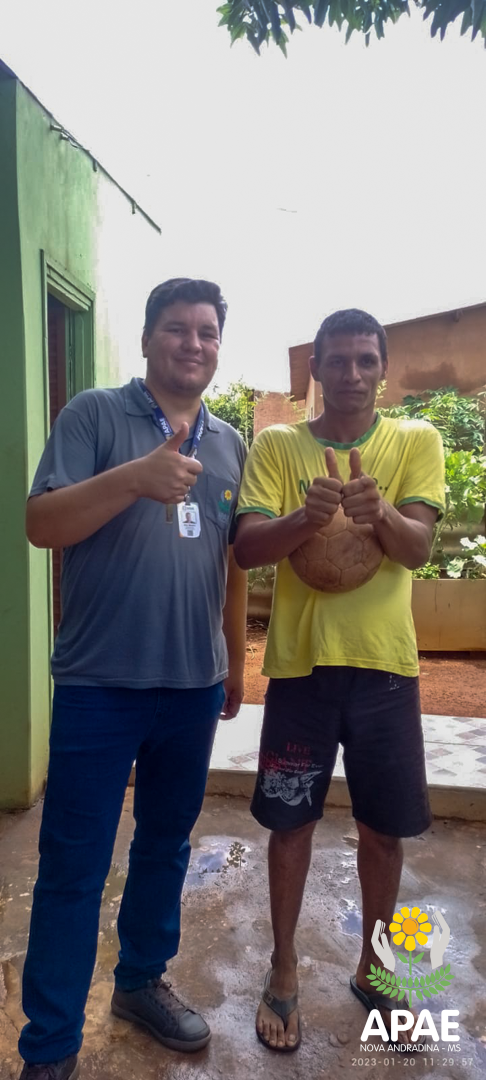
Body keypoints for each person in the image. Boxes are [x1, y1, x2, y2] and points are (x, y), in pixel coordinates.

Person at [20, 278, 248, 1080]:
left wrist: (233, 657)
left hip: (191, 687)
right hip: (100, 685)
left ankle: (141, 982)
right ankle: (50, 1044)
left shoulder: (230, 442)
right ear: (149, 338)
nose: (194, 343)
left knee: (164, 846)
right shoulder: (92, 415)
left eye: (208, 332)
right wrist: (134, 479)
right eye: (178, 328)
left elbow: (230, 558)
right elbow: (41, 524)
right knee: (73, 865)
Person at [233, 309, 445, 1052]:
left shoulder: (415, 440)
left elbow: (417, 549)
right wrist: (305, 517)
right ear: (314, 371)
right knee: (290, 825)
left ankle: (375, 968)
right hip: (301, 671)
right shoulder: (278, 445)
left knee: (383, 831)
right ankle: (285, 968)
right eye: (337, 361)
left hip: (385, 672)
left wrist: (377, 511)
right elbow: (247, 547)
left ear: (382, 368)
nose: (351, 374)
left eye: (365, 360)